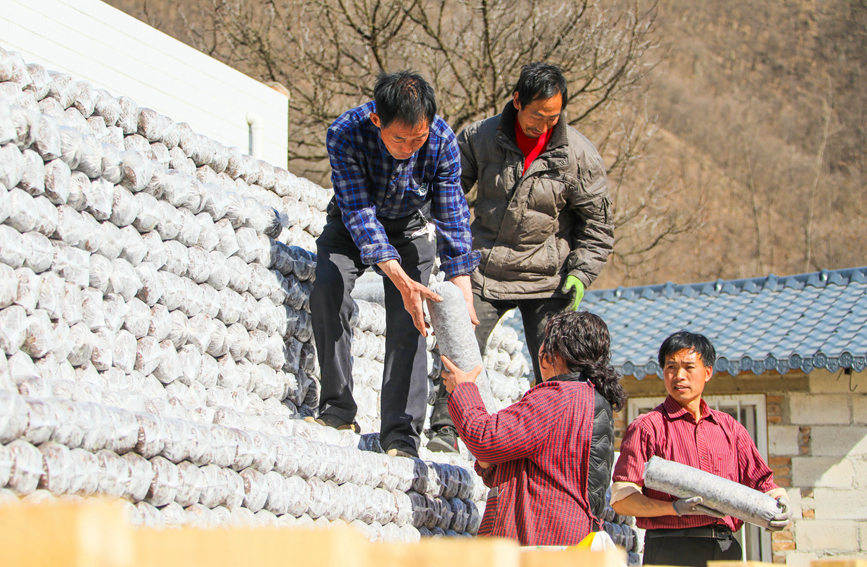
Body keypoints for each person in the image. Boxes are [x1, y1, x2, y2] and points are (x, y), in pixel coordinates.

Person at [428, 62, 614, 452]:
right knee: (458, 340)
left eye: (553, 117)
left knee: (560, 366)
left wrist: (580, 273)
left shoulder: (576, 153)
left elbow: (598, 226)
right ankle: (445, 428)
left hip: (547, 279)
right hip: (484, 270)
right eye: (536, 115)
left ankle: (557, 443)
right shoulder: (480, 137)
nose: (543, 125)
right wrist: (452, 251)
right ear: (516, 102)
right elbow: (445, 194)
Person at [309, 71, 479, 458]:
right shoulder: (345, 133)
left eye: (416, 139)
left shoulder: (442, 142)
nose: (407, 147)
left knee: (411, 320)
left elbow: (452, 218)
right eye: (398, 138)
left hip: (411, 228)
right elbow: (359, 212)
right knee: (328, 287)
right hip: (354, 222)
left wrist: (463, 293)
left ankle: (400, 433)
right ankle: (337, 407)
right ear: (377, 121)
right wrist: (398, 277)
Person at [441, 310, 625, 545]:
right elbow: (543, 466)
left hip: (539, 536)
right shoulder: (590, 399)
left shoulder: (557, 398)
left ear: (554, 354)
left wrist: (463, 389)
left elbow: (486, 438)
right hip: (568, 535)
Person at [611, 331, 791, 566]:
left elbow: (764, 485)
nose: (679, 376)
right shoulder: (648, 427)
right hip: (671, 549)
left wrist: (781, 502)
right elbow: (622, 499)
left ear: (707, 372)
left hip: (725, 549)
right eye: (671, 367)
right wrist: (674, 508)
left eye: (688, 367)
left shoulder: (730, 428)